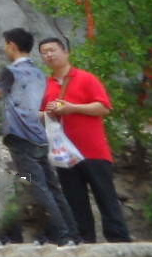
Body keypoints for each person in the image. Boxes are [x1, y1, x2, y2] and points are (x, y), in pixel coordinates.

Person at [0, 27, 79, 245]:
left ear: (12, 46)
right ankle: (70, 233)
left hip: (21, 141)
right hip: (39, 140)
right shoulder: (37, 73)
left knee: (38, 187)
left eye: (6, 45)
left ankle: (62, 236)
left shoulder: (12, 71)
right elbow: (6, 89)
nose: (5, 48)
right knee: (41, 185)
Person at [38, 36, 132, 242]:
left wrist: (73, 108)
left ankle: (119, 241)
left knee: (106, 197)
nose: (49, 55)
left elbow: (104, 107)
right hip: (64, 153)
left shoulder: (86, 78)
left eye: (52, 50)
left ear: (66, 52)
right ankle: (84, 240)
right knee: (75, 200)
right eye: (44, 52)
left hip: (93, 150)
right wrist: (48, 113)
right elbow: (38, 115)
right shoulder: (46, 85)